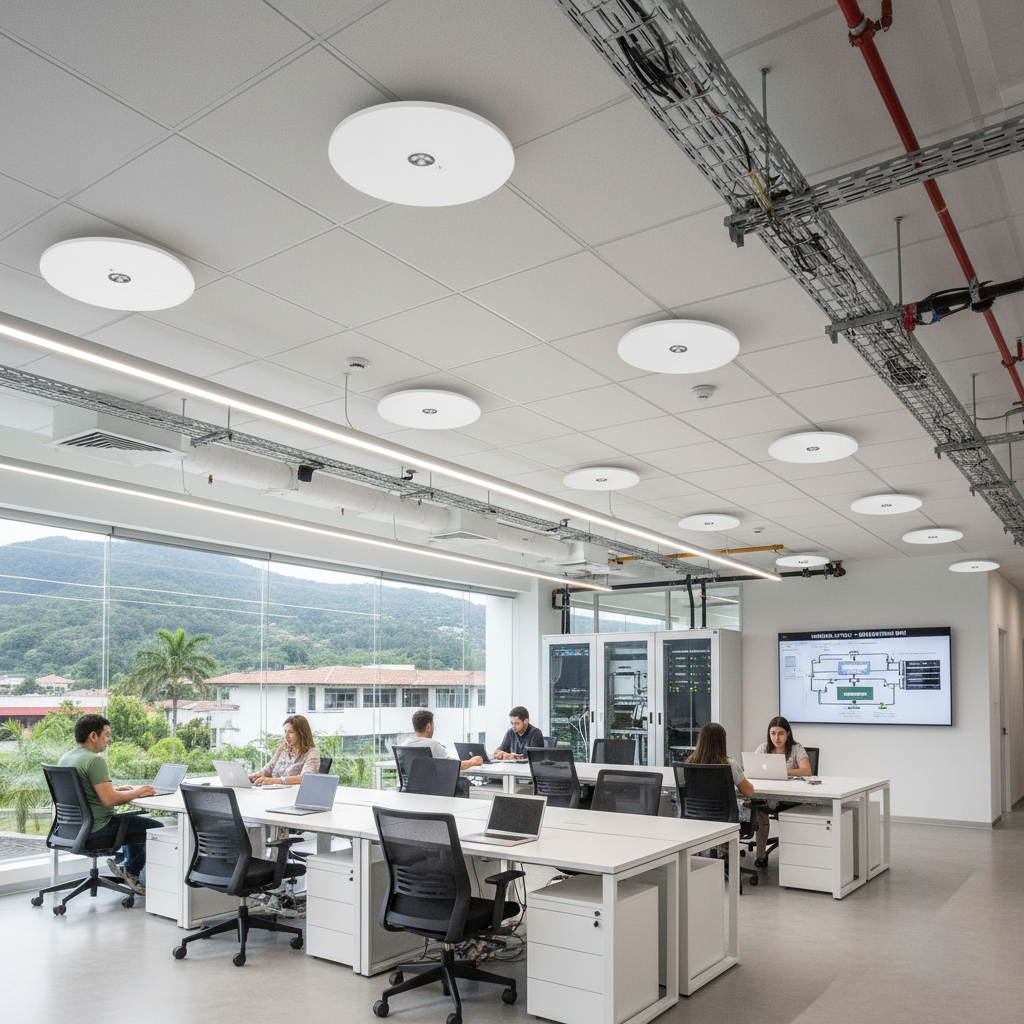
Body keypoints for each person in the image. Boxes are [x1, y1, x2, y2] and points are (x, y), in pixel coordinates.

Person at [58, 712, 161, 895]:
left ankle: (123, 863)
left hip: (73, 829)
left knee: (131, 823)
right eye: (106, 734)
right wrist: (138, 792)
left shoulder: (67, 758)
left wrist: (118, 790)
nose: (109, 739)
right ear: (93, 736)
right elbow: (109, 800)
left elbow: (85, 794)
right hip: (97, 829)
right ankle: (131, 871)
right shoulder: (94, 760)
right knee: (156, 828)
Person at [753, 715, 812, 866]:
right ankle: (761, 857)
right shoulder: (763, 748)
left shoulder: (796, 749)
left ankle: (794, 858)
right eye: (773, 733)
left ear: (788, 734)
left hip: (789, 798)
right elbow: (753, 769)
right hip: (767, 795)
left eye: (781, 733)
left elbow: (806, 770)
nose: (776, 737)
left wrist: (782, 772)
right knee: (760, 814)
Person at [685, 722, 754, 800]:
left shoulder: (689, 763)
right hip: (723, 811)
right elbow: (748, 792)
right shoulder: (729, 764)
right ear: (722, 742)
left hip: (693, 811)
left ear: (700, 740)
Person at [250, 714, 321, 786]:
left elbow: (307, 778)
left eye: (291, 732)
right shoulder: (283, 749)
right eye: (285, 732)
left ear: (301, 734)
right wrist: (255, 777)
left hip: (293, 794)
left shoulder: (312, 752)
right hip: (274, 792)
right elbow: (267, 770)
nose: (286, 736)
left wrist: (276, 781)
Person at [405, 709, 484, 770]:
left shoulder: (406, 744)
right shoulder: (433, 745)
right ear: (428, 726)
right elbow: (452, 766)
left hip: (411, 789)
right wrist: (472, 762)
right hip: (434, 790)